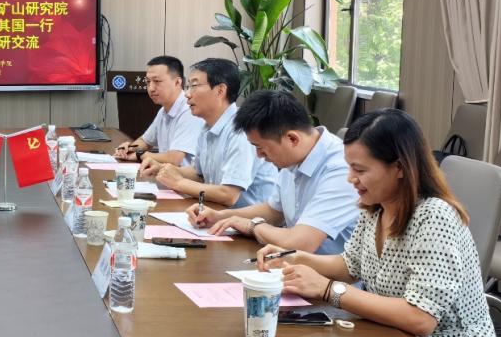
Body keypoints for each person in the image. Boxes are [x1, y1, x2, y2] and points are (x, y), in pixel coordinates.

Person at [257, 109, 501, 337]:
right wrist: (297, 259)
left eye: (360, 170)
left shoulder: (434, 216)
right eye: (350, 167)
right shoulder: (375, 207)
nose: (351, 178)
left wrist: (328, 290)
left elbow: (421, 318)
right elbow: (350, 265)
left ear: (399, 167)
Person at [187, 89, 359, 253]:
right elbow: (274, 211)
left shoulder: (341, 169)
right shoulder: (293, 157)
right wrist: (220, 217)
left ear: (292, 139)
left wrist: (252, 226)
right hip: (293, 263)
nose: (259, 155)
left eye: (261, 147)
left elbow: (301, 243)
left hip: (325, 272)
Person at [142, 58, 277, 207]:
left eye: (194, 86)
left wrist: (178, 182)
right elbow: (199, 174)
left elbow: (229, 195)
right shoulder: (207, 126)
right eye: (188, 86)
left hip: (247, 219)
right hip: (216, 213)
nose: (187, 94)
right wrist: (162, 169)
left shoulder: (240, 130)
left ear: (220, 90)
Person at [114, 56, 203, 167]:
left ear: (177, 82)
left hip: (184, 176)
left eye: (157, 81)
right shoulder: (163, 110)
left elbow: (174, 159)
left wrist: (140, 154)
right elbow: (145, 141)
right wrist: (129, 149)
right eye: (148, 82)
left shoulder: (190, 110)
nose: (151, 88)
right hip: (166, 174)